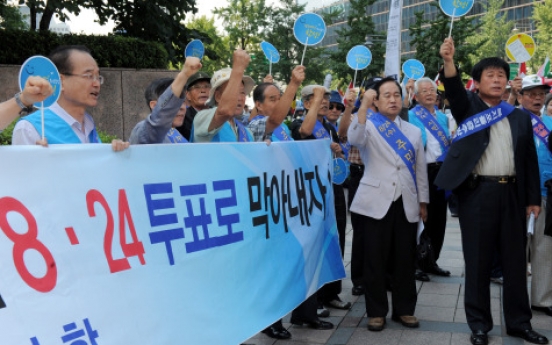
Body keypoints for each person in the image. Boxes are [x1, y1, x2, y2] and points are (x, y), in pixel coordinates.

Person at [436, 38, 547, 345]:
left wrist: (532, 201)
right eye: (490, 75)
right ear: (478, 81)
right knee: (478, 262)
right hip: (478, 195)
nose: (497, 80)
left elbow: (529, 162)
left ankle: (519, 323)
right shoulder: (468, 107)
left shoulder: (519, 116)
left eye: (501, 75)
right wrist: (448, 61)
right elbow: (454, 88)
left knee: (514, 264)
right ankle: (480, 326)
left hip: (512, 195)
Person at [348, 76, 429, 332]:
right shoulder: (368, 125)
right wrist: (362, 106)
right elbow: (354, 137)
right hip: (375, 202)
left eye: (396, 95)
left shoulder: (414, 131)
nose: (393, 99)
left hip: (406, 201)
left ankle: (404, 310)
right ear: (377, 100)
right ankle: (376, 312)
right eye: (386, 95)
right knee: (374, 259)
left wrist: (423, 201)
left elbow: (420, 169)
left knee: (405, 259)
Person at [247, 65, 305, 340]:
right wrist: (293, 84)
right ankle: (269, 319)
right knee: (267, 267)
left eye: (279, 97)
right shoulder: (255, 126)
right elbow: (277, 118)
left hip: (282, 204)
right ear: (257, 106)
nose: (278, 103)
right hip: (262, 208)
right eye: (272, 98)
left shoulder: (281, 131)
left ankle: (277, 314)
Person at [12, 45, 128, 151]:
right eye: (89, 76)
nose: (96, 84)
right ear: (61, 81)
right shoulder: (29, 128)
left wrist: (112, 152)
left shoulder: (89, 123)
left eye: (98, 77)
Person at [408, 77, 451, 279]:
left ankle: (432, 260)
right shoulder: (410, 115)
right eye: (424, 91)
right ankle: (417, 262)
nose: (429, 93)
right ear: (416, 96)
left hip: (441, 170)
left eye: (432, 90)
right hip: (421, 170)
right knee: (421, 217)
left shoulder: (443, 118)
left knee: (439, 218)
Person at [517, 75, 552, 318]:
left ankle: (542, 299)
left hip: (546, 193)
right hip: (518, 194)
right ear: (520, 96)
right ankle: (516, 298)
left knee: (544, 247)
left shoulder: (549, 122)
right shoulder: (513, 119)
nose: (537, 98)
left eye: (541, 94)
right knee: (517, 248)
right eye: (531, 93)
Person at [129, 57, 202, 144]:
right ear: (154, 105)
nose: (182, 107)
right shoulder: (144, 130)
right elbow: (160, 118)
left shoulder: (175, 132)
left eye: (183, 102)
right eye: (175, 103)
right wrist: (184, 75)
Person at [192, 49, 254, 143]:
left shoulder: (247, 133)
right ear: (217, 96)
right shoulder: (202, 118)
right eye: (234, 92)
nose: (240, 98)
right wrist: (238, 69)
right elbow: (225, 111)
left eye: (242, 92)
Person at [175, 71, 211, 141]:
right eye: (196, 87)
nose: (203, 90)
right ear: (188, 95)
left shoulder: (220, 114)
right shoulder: (182, 117)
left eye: (207, 86)